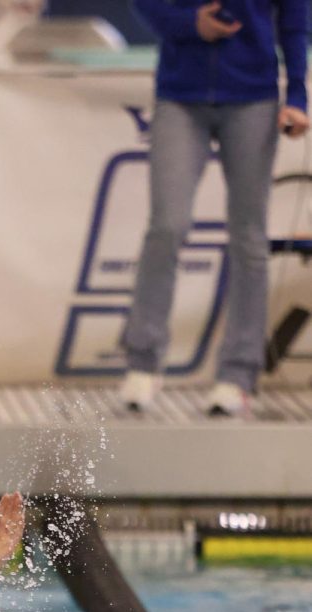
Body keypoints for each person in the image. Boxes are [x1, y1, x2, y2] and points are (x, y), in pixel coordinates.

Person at [121, 0, 309, 418]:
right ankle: (143, 360)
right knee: (167, 225)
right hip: (179, 96)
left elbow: (296, 19)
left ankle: (239, 373)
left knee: (248, 235)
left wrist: (298, 93)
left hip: (253, 100)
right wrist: (189, 23)